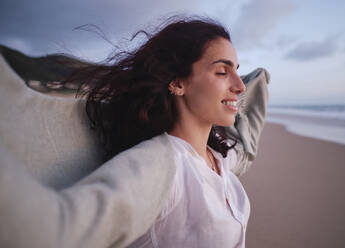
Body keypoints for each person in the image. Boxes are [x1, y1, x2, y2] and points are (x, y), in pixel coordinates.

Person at [0, 16, 269, 247]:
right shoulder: (159, 166)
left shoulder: (220, 158)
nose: (239, 86)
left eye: (237, 71)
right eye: (222, 71)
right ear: (177, 83)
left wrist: (258, 82)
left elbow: (244, 148)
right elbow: (54, 232)